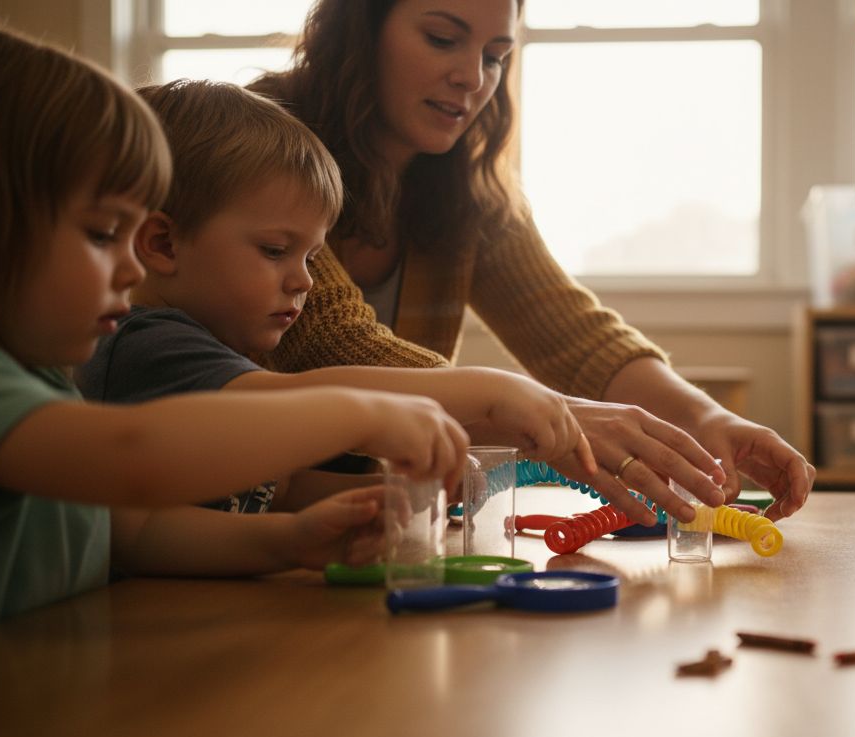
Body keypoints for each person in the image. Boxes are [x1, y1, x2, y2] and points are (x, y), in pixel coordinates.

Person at [0, 23, 470, 646]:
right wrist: (358, 412)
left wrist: (291, 539)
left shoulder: (41, 381)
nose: (130, 267)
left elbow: (136, 529)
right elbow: (133, 460)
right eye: (103, 235)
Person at [250, 0, 816, 524]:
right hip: (243, 521)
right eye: (443, 38)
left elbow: (575, 336)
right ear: (361, 27)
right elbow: (327, 342)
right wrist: (536, 413)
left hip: (373, 524)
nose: (473, 78)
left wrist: (705, 418)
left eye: (496, 57)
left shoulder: (463, 184)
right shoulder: (258, 143)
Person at [79, 79, 595, 515]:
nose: (305, 280)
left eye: (310, 257)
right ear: (163, 243)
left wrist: (397, 497)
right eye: (276, 250)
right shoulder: (144, 345)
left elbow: (280, 491)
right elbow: (291, 401)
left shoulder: (213, 352)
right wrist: (486, 390)